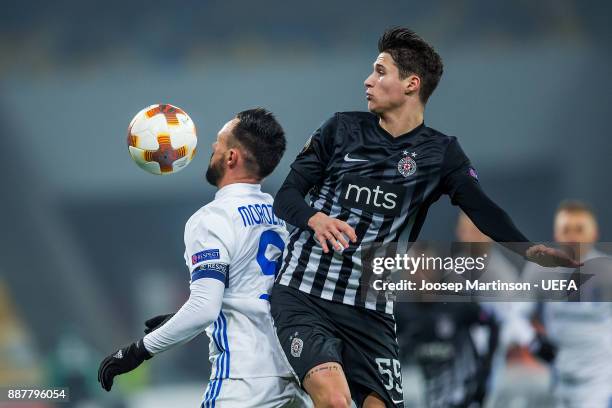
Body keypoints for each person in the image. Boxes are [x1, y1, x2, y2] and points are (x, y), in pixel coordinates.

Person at [271, 27, 579, 408]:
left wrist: (528, 250)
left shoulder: (441, 153)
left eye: (381, 72)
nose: (368, 80)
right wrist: (315, 218)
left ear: (411, 84)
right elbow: (285, 197)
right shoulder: (339, 130)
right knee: (334, 399)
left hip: (370, 309)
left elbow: (482, 208)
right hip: (304, 296)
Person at [98, 108, 311, 407]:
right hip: (292, 371)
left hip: (243, 379)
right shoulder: (276, 216)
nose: (212, 147)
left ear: (232, 158)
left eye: (219, 142)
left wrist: (137, 351)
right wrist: (180, 318)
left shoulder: (210, 220)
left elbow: (203, 309)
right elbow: (252, 291)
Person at [521, 200, 612, 408]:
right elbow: (514, 315)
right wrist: (532, 340)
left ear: (594, 233)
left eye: (579, 229)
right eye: (566, 229)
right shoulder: (540, 269)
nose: (573, 236)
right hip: (558, 378)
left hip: (599, 382)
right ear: (556, 233)